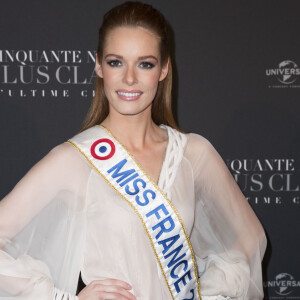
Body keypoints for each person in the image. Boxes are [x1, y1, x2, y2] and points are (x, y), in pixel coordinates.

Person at [0, 1, 267, 300]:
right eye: (116, 62)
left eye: (145, 64)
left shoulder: (194, 154)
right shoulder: (74, 160)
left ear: (164, 69)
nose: (129, 78)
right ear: (99, 65)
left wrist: (209, 293)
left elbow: (251, 238)